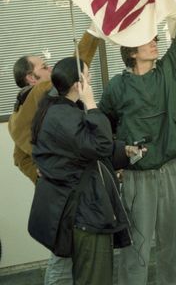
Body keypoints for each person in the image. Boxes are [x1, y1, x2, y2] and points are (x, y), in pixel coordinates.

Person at [99, 0, 176, 285]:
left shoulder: (171, 71)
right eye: (147, 40)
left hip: (173, 170)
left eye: (154, 38)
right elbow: (102, 128)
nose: (154, 42)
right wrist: (118, 157)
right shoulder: (117, 87)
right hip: (138, 178)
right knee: (136, 251)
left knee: (174, 248)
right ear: (131, 53)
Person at [30, 57, 138, 285]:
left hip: (80, 210)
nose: (91, 80)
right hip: (85, 213)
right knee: (95, 278)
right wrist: (91, 105)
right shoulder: (63, 115)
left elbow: (87, 151)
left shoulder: (60, 110)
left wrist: (122, 151)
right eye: (88, 76)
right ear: (77, 83)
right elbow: (100, 145)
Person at [8, 31, 99, 285]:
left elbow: (19, 158)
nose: (51, 70)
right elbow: (75, 66)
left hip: (61, 191)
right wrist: (93, 33)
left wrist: (39, 174)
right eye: (45, 67)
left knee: (65, 254)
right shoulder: (38, 95)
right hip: (66, 193)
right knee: (63, 258)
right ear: (31, 78)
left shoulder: (25, 107)